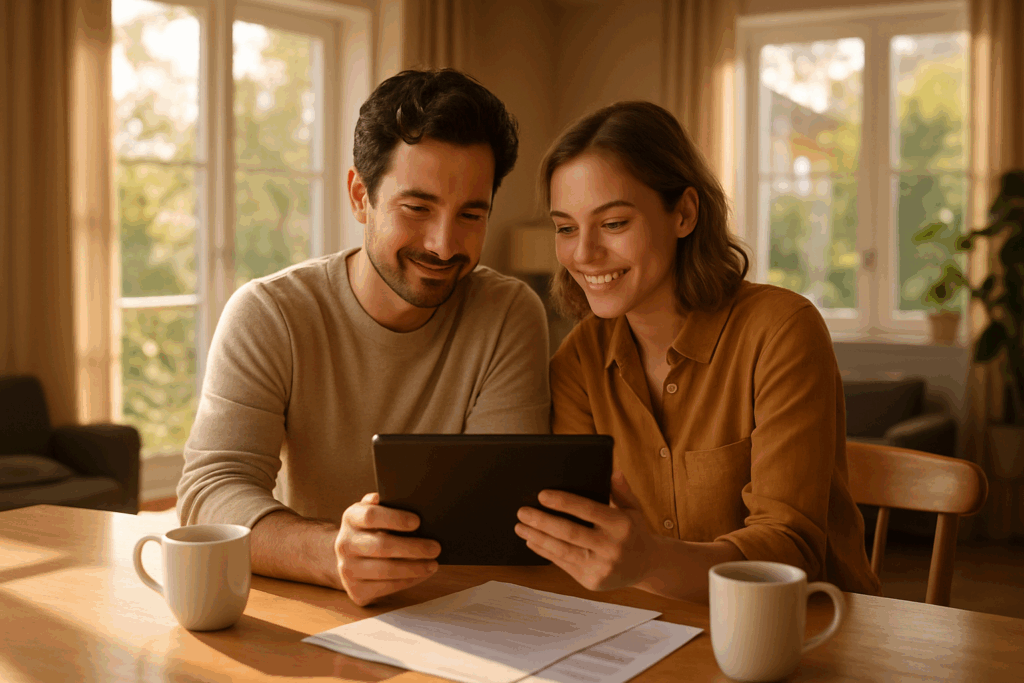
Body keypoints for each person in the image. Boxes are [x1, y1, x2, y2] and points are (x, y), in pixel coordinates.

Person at [177, 69, 551, 606]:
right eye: (417, 208)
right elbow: (210, 493)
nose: (444, 245)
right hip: (311, 604)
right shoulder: (269, 313)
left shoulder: (509, 313)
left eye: (471, 213)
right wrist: (334, 553)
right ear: (360, 196)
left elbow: (499, 516)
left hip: (463, 607)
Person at [514, 101, 881, 603]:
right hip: (654, 629)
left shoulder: (781, 331)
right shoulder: (580, 358)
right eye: (566, 227)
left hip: (810, 631)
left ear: (684, 213)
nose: (583, 254)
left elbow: (791, 550)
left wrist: (650, 560)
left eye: (614, 223)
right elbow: (583, 534)